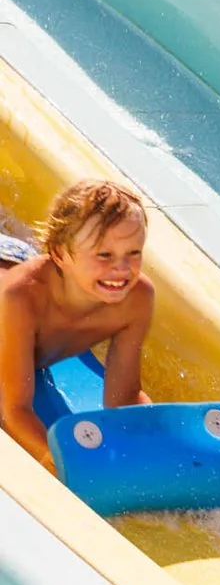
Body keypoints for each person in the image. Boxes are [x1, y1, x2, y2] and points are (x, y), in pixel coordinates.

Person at [0, 181, 152, 476]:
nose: (121, 269)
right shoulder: (21, 299)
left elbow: (123, 396)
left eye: (133, 252)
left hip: (18, 255)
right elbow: (13, 410)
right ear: (60, 254)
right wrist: (61, 466)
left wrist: (156, 438)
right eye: (105, 255)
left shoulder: (136, 298)